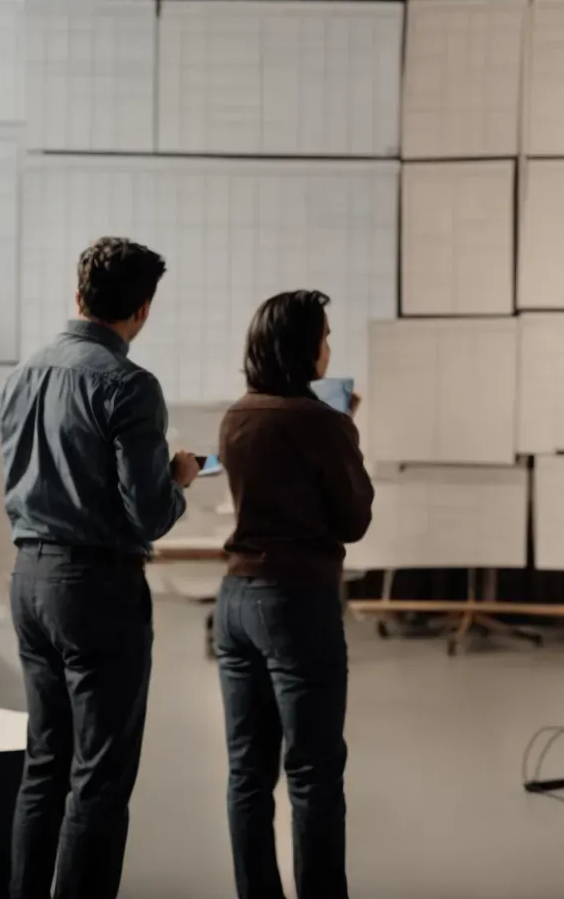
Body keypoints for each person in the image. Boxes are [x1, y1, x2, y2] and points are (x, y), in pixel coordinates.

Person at [0, 237, 199, 899]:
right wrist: (178, 481)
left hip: (28, 579)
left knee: (45, 764)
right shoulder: (129, 385)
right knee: (101, 775)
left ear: (78, 293)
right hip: (96, 589)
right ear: (141, 310)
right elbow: (146, 513)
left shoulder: (22, 374)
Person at [214, 290, 373, 899]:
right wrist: (347, 432)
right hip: (295, 603)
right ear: (304, 347)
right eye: (325, 335)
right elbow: (353, 519)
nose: (328, 347)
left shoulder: (237, 415)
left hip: (235, 603)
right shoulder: (320, 421)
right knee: (312, 773)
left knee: (248, 774)